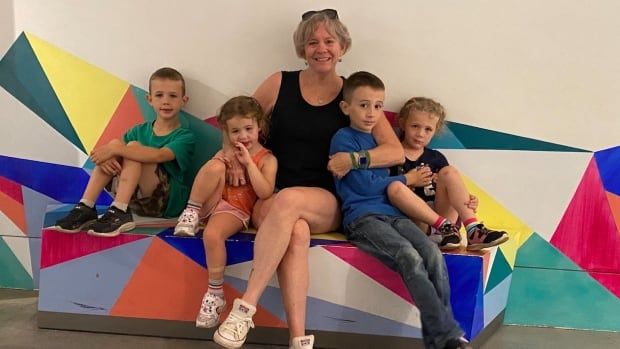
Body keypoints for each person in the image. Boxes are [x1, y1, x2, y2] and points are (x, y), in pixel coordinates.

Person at [213, 9, 404, 349]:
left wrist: (356, 158)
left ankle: (244, 307)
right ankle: (299, 339)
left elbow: (395, 152)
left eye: (329, 41)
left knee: (292, 204)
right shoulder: (279, 82)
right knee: (295, 229)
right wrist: (232, 158)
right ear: (302, 49)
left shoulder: (353, 94)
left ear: (342, 47)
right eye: (312, 41)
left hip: (325, 200)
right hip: (270, 194)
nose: (321, 48)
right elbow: (235, 120)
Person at [330, 71, 472, 349]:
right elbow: (364, 188)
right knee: (409, 256)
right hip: (363, 218)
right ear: (346, 107)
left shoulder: (387, 144)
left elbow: (390, 184)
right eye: (363, 105)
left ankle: (442, 339)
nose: (371, 113)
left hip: (394, 215)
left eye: (378, 106)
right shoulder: (343, 139)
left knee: (431, 253)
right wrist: (407, 179)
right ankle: (446, 336)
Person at [52, 67, 195, 237]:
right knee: (121, 146)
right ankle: (86, 206)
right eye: (159, 95)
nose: (166, 101)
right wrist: (109, 156)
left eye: (173, 96)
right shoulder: (138, 131)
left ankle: (119, 210)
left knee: (130, 147)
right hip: (133, 198)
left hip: (164, 204)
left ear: (183, 100)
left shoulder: (185, 136)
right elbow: (120, 154)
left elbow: (160, 155)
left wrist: (115, 149)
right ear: (149, 99)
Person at [173, 96, 277, 329]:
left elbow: (265, 192)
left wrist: (249, 164)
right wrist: (224, 156)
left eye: (249, 129)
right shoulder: (226, 151)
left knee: (212, 235)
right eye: (235, 131)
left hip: (235, 209)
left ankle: (215, 293)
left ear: (260, 126)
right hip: (212, 200)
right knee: (215, 165)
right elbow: (210, 174)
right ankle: (191, 211)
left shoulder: (267, 159)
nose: (243, 136)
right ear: (226, 133)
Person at [388, 97, 509, 251]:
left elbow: (451, 188)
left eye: (428, 129)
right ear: (402, 123)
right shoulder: (391, 155)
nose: (420, 134)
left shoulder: (436, 158)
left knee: (449, 172)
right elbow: (385, 190)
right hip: (416, 223)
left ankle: (473, 229)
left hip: (446, 228)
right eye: (415, 126)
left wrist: (468, 199)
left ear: (435, 130)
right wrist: (410, 181)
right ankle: (444, 228)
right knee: (396, 188)